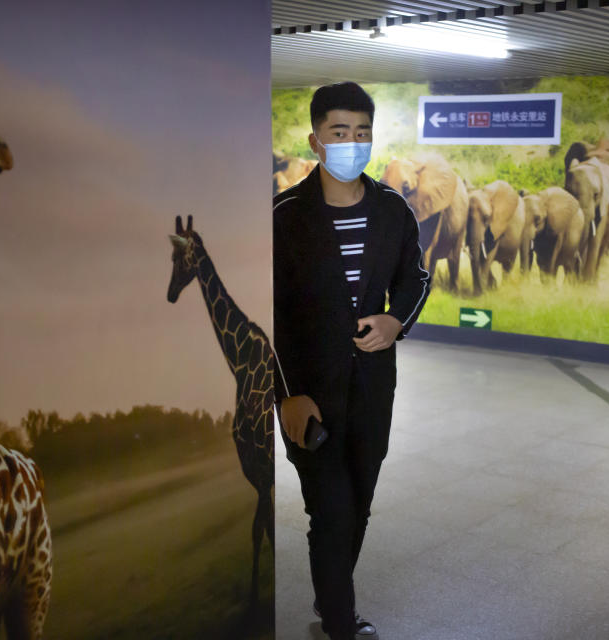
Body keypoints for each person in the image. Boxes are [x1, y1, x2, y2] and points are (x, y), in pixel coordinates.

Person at [272, 82, 431, 640]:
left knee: (359, 501)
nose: (352, 143)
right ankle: (339, 622)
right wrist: (286, 392)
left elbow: (416, 279)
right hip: (308, 391)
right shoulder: (285, 216)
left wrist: (396, 322)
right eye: (340, 133)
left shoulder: (392, 211)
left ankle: (328, 593)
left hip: (372, 387)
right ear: (316, 140)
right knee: (331, 508)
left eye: (362, 133)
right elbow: (270, 312)